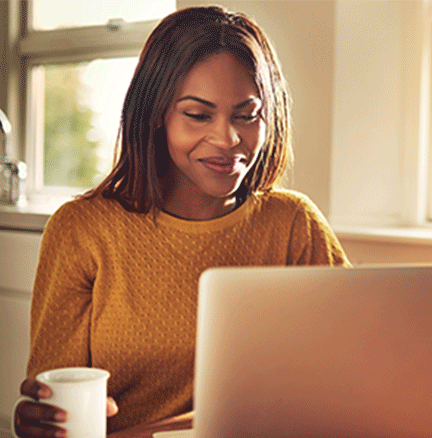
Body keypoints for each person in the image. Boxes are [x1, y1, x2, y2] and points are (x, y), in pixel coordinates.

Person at [13, 6, 349, 437]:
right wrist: (43, 423)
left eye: (247, 115)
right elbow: (55, 400)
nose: (228, 139)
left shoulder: (293, 224)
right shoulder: (83, 230)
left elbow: (347, 375)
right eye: (198, 114)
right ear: (156, 114)